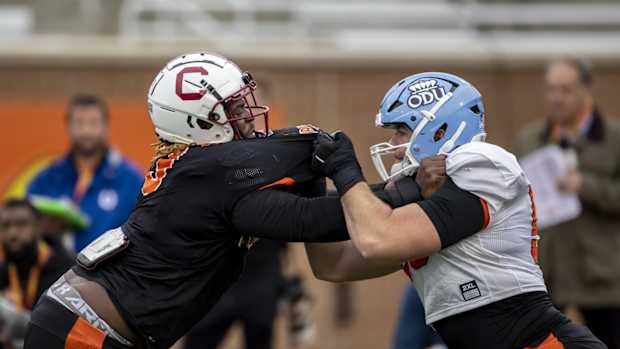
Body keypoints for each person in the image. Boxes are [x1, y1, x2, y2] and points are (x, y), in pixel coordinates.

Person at [22, 52, 420, 349]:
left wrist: (387, 189)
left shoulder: (210, 176)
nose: (248, 114)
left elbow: (311, 215)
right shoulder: (209, 170)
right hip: (84, 328)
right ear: (198, 121)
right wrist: (411, 188)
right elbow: (315, 211)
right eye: (233, 107)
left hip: (100, 325)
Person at [305, 72, 606, 349]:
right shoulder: (424, 197)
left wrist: (344, 171)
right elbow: (334, 264)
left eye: (400, 131)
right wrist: (309, 183)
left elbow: (376, 238)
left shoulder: (480, 161)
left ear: (439, 130)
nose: (393, 145)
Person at [513, 59, 620, 349]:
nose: (556, 98)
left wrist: (586, 186)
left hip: (603, 276)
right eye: (551, 90)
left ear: (586, 89)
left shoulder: (614, 139)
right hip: (547, 273)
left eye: (565, 89)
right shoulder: (528, 140)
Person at [27, 94, 144, 253]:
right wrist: (45, 231)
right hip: (56, 273)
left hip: (110, 274)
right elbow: (25, 227)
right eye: (79, 123)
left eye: (94, 123)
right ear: (68, 126)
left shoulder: (131, 179)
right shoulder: (47, 178)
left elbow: (145, 233)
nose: (86, 130)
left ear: (106, 126)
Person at [0, 199, 73, 348]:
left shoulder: (68, 270)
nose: (12, 233)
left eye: (21, 224)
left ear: (39, 227)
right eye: (5, 226)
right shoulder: (3, 271)